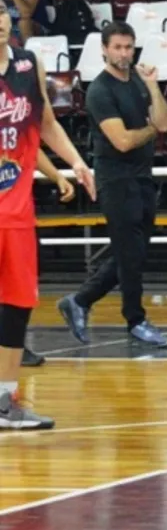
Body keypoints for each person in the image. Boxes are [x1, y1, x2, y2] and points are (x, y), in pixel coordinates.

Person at [0, 5, 95, 430]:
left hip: (16, 209)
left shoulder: (28, 63)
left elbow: (46, 124)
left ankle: (5, 401)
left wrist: (76, 162)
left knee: (17, 306)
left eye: (1, 11)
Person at [56, 21, 167, 348]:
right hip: (115, 179)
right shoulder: (99, 90)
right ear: (104, 49)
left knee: (132, 252)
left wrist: (152, 86)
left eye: (129, 47)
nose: (124, 53)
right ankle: (135, 319)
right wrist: (151, 130)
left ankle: (80, 301)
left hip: (142, 176)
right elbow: (121, 140)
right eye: (118, 47)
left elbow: (164, 121)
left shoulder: (138, 80)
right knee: (130, 254)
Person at [20, 149, 77, 368]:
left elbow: (32, 148)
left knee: (23, 285)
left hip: (18, 217)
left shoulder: (18, 121)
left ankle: (14, 344)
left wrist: (57, 176)